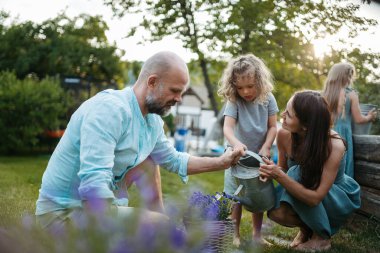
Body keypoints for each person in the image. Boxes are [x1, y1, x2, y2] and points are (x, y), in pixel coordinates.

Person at [35, 51, 243, 229]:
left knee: (150, 163)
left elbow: (173, 160)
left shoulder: (152, 120)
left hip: (96, 210)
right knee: (161, 228)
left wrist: (221, 162)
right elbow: (93, 186)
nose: (179, 99)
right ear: (152, 82)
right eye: (174, 91)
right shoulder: (110, 110)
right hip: (64, 214)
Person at [259, 90, 361, 251]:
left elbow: (315, 198)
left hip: (334, 196)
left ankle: (321, 238)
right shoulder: (284, 134)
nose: (283, 115)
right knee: (276, 210)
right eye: (286, 109)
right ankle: (307, 229)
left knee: (297, 172)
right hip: (305, 187)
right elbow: (283, 168)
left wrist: (279, 175)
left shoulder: (334, 145)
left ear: (306, 125)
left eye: (290, 115)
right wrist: (269, 171)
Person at [217, 54, 278, 246]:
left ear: (260, 81)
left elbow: (273, 127)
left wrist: (267, 145)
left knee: (257, 195)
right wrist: (236, 143)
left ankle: (257, 235)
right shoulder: (234, 100)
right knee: (237, 195)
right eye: (240, 87)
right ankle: (235, 234)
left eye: (250, 86)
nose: (245, 92)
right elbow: (227, 127)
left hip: (259, 155)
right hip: (237, 156)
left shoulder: (268, 98)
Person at [322, 62, 377, 177]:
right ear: (346, 76)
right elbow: (358, 119)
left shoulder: (325, 93)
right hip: (343, 133)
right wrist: (370, 117)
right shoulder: (351, 94)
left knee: (327, 160)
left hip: (326, 131)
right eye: (350, 75)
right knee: (343, 162)